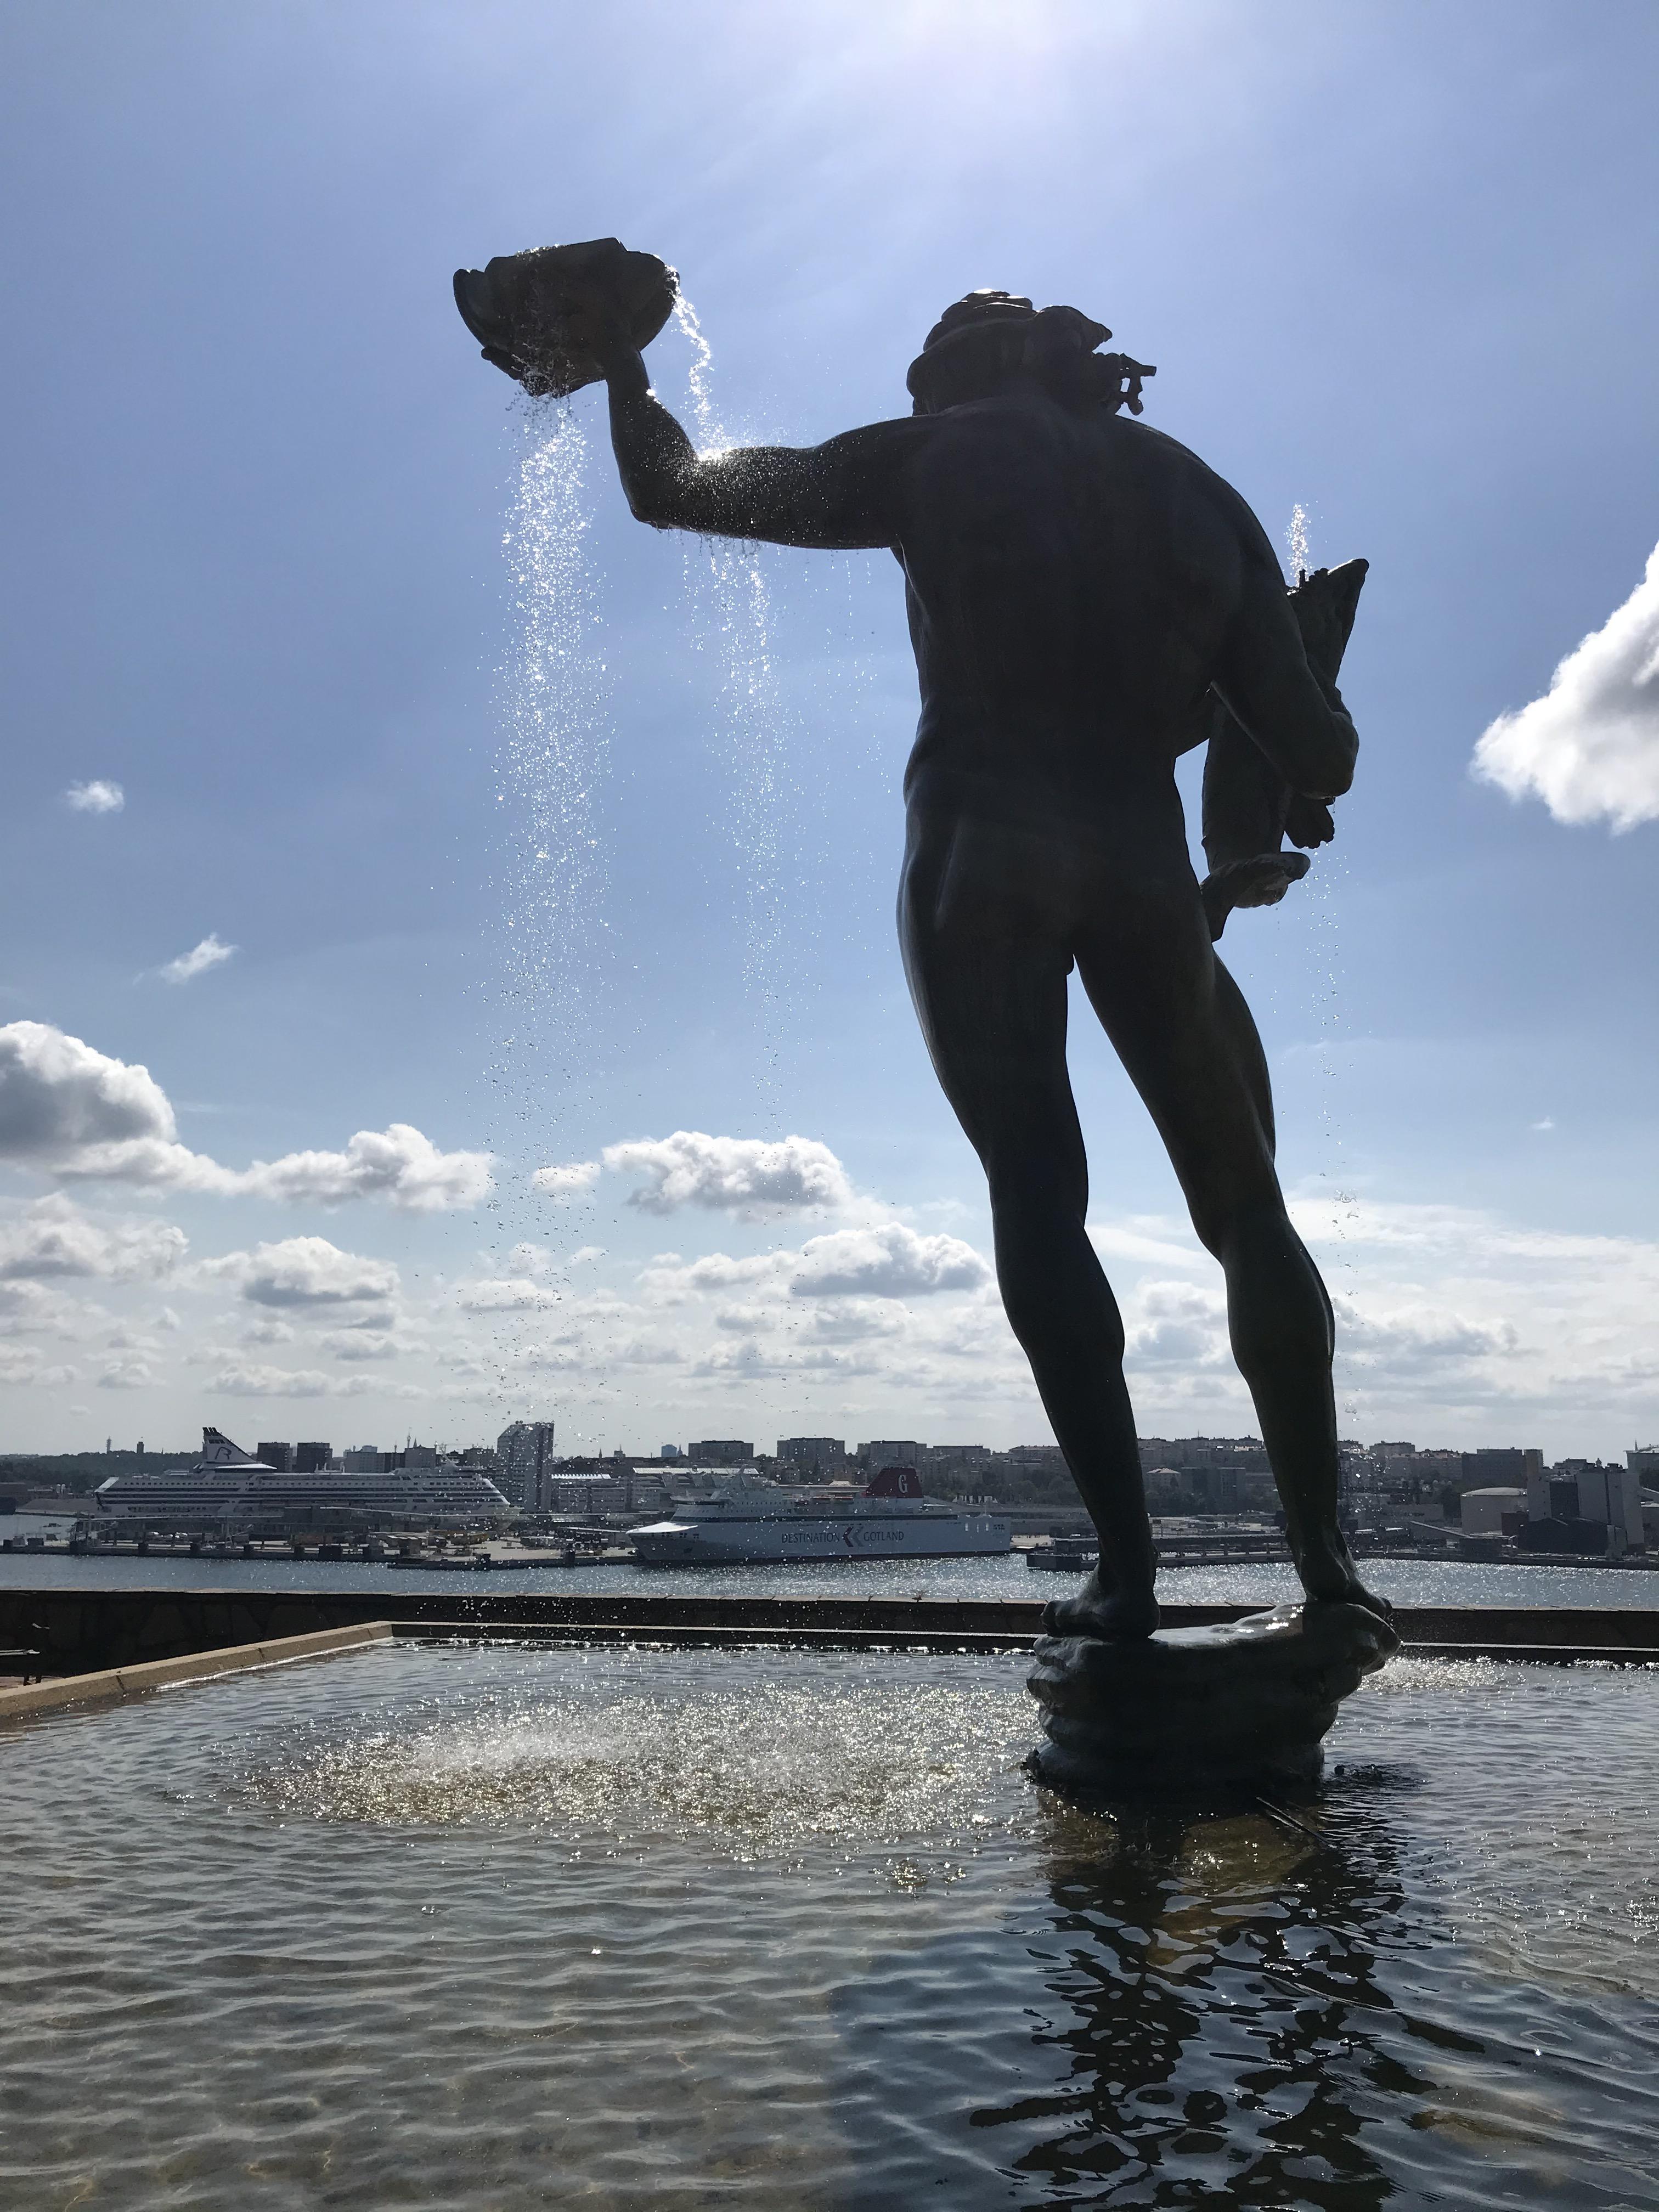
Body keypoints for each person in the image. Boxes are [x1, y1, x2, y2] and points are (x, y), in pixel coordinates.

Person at [585, 283, 1384, 1640]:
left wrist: (621, 358)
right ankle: (1329, 1570)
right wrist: (1288, 685)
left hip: (979, 848)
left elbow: (673, 489)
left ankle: (1126, 1574)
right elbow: (1324, 753)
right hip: (1141, 861)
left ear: (957, 375)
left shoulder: (934, 455)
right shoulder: (1204, 498)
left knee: (1039, 1194)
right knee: (1250, 1213)